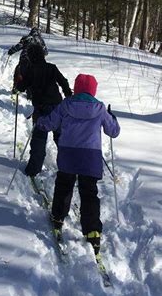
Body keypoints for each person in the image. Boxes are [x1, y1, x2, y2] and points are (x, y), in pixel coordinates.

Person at [36, 74, 120, 263]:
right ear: (93, 90)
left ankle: (58, 217)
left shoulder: (66, 105)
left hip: (68, 154)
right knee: (89, 192)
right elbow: (113, 131)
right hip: (90, 157)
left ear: (76, 87)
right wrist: (112, 117)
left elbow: (49, 123)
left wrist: (40, 122)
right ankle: (92, 230)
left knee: (64, 185)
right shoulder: (99, 108)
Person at [16, 44, 72, 177]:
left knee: (39, 140)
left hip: (41, 109)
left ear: (30, 57)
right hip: (58, 108)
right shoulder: (51, 67)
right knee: (61, 138)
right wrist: (69, 96)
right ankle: (69, 167)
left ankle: (34, 169)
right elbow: (63, 82)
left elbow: (22, 88)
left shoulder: (30, 70)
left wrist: (19, 82)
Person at [7, 27, 48, 92]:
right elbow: (46, 52)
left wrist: (11, 51)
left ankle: (15, 89)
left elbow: (18, 46)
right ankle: (30, 93)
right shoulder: (41, 41)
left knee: (18, 73)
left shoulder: (26, 38)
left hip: (24, 59)